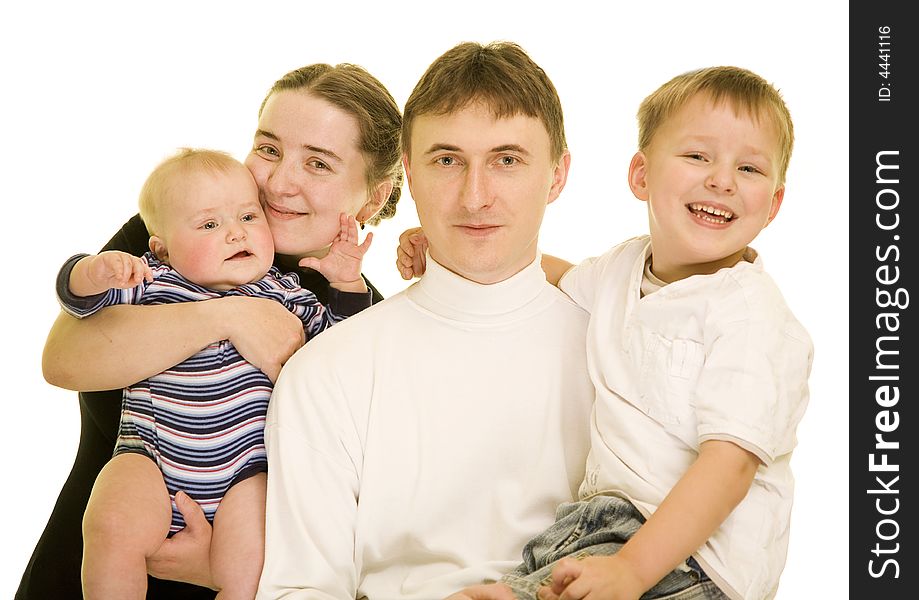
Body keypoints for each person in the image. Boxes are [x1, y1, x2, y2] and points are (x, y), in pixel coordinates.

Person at [401, 66, 814, 600]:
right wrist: (443, 244)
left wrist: (633, 569)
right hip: (591, 533)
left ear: (775, 203)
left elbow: (730, 468)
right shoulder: (623, 267)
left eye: (750, 168)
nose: (722, 180)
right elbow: (548, 276)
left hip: (694, 564)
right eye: (697, 156)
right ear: (640, 174)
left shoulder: (752, 316)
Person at [18, 62, 403, 600]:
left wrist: (222, 568)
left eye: (318, 163)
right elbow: (63, 359)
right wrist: (229, 316)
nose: (278, 181)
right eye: (268, 148)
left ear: (374, 195)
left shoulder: (364, 317)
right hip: (85, 569)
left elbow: (363, 524)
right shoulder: (185, 232)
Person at [255, 42, 594, 600]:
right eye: (447, 160)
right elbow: (299, 590)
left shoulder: (616, 352)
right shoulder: (329, 369)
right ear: (408, 174)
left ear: (557, 176)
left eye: (507, 160)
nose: (475, 197)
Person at [63, 148, 373, 599]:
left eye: (249, 217)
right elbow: (79, 310)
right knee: (109, 522)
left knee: (249, 565)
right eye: (210, 225)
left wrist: (347, 285)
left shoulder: (286, 292)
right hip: (149, 457)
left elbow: (342, 350)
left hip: (245, 473)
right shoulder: (152, 282)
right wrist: (92, 272)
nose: (235, 233)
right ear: (161, 247)